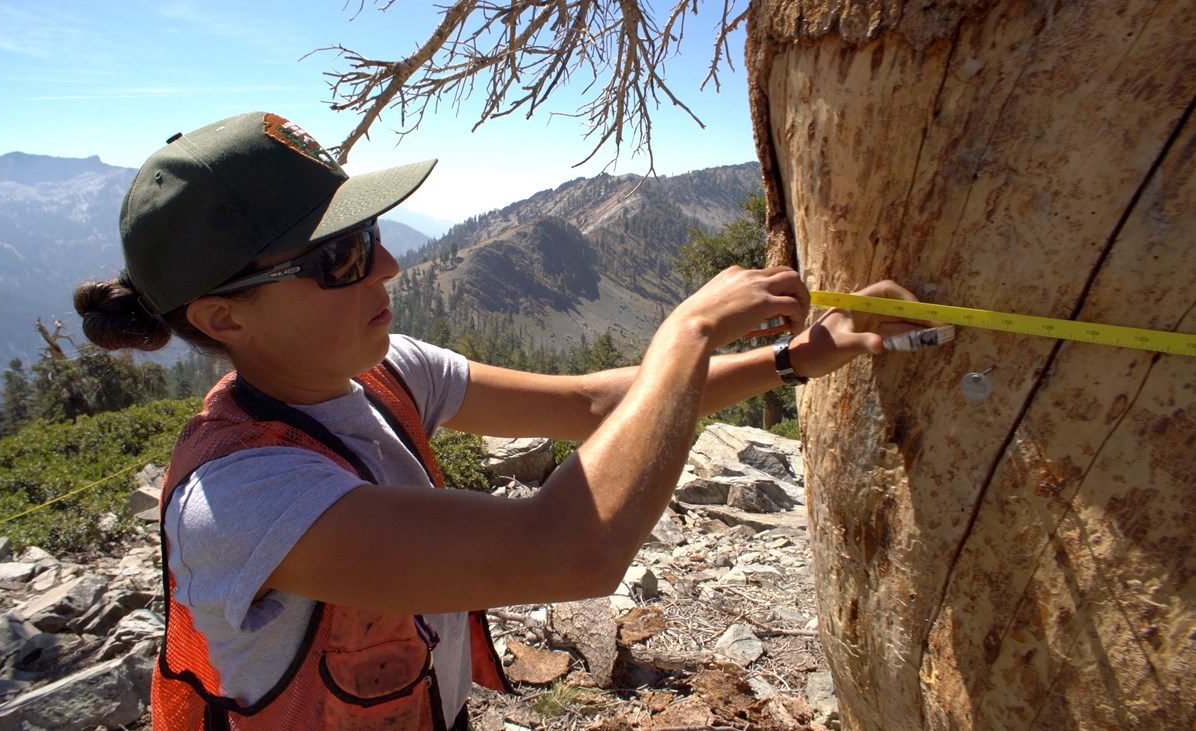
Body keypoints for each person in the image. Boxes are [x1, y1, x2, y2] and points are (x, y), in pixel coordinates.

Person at [74, 111, 933, 731]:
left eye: (367, 231)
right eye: (340, 256)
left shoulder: (380, 369)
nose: (390, 262)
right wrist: (688, 330)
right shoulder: (245, 499)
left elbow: (599, 405)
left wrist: (797, 359)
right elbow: (571, 550)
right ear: (224, 318)